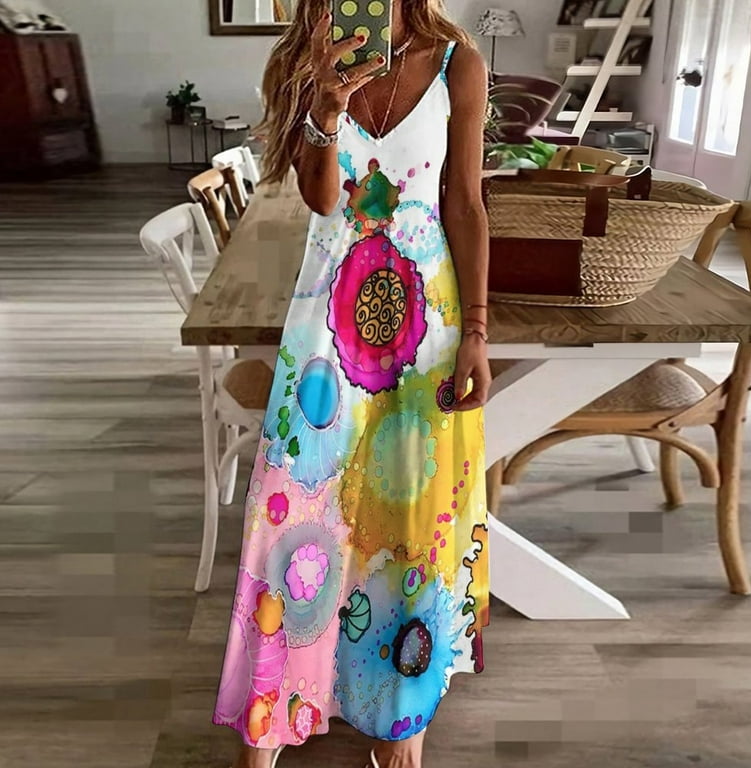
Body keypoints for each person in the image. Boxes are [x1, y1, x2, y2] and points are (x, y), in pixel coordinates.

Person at [212, 2, 491, 767]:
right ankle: (272, 710)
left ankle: (400, 722)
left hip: (428, 324)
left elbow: (466, 203)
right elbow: (323, 199)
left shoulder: (457, 64)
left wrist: (476, 331)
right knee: (296, 502)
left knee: (415, 512)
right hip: (324, 317)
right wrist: (326, 108)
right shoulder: (310, 60)